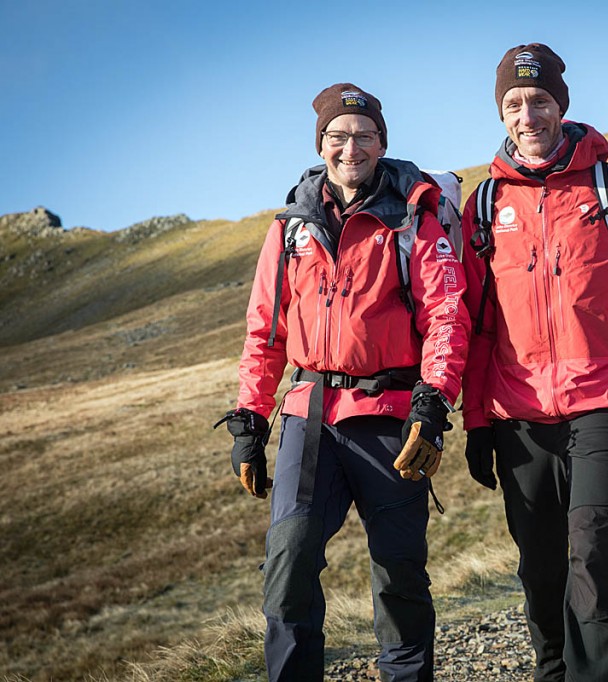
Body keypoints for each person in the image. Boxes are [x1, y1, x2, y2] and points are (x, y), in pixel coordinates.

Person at [459, 43, 608, 682]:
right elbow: (477, 328)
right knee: (539, 563)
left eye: (539, 100)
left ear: (561, 106)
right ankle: (553, 671)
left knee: (591, 552)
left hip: (604, 402)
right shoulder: (482, 206)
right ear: (501, 114)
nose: (527, 114)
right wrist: (476, 423)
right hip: (517, 413)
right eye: (514, 103)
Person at [217, 83, 470, 681]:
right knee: (288, 564)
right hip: (309, 420)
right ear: (321, 145)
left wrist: (431, 407)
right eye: (338, 136)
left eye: (363, 135)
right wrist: (250, 419)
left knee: (399, 573)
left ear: (382, 142)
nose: (350, 147)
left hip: (391, 418)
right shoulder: (290, 230)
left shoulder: (413, 219)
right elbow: (265, 333)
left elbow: (447, 317)